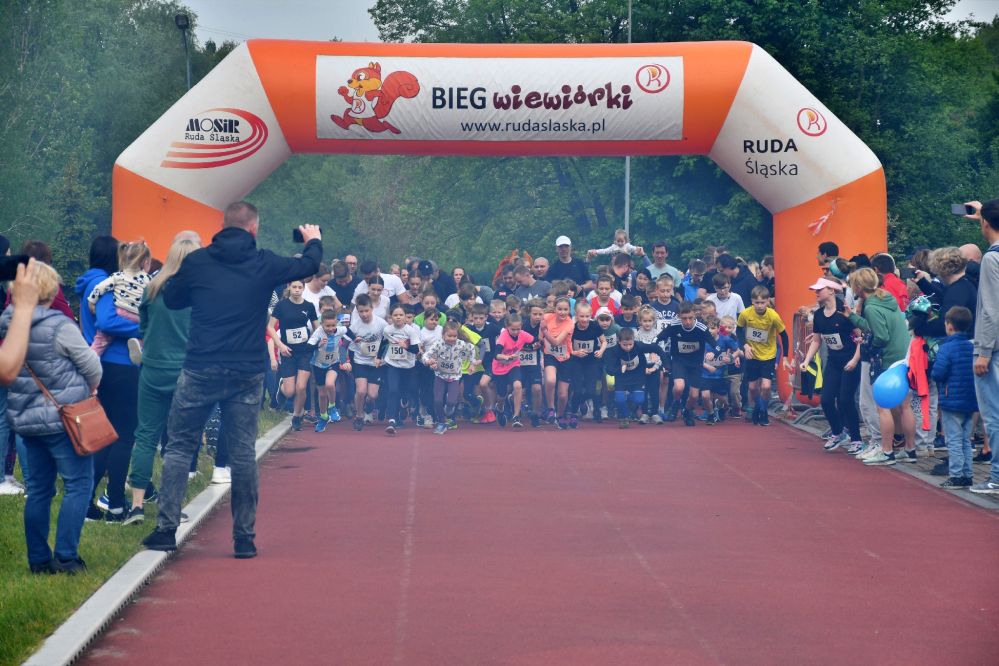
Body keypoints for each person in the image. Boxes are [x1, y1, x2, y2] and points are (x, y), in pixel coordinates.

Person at [142, 202, 321, 558]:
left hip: (201, 366)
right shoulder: (264, 263)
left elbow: (174, 299)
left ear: (223, 226)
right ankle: (244, 538)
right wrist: (312, 240)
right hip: (246, 369)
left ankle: (165, 530)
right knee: (241, 453)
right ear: (253, 228)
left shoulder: (198, 262)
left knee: (179, 446)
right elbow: (308, 265)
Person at [2, 261, 101, 574]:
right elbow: (92, 366)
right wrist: (90, 386)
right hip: (64, 419)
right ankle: (67, 556)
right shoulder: (60, 326)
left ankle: (38, 559)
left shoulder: (8, 324)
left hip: (26, 420)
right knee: (78, 484)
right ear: (50, 289)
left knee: (39, 489)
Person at [124, 235, 201, 525]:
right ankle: (171, 505)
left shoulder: (152, 288)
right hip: (185, 372)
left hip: (152, 369)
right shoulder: (198, 293)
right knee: (178, 441)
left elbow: (143, 328)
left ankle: (136, 505)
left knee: (145, 436)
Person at [76, 236, 142, 523]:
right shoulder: (106, 284)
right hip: (119, 364)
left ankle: (87, 501)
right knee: (123, 435)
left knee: (105, 435)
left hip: (101, 364)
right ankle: (115, 504)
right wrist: (143, 325)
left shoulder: (90, 282)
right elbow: (107, 321)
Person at [848, 267, 916, 466]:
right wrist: (853, 317)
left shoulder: (871, 307)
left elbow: (881, 336)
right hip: (903, 357)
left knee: (883, 406)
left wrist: (869, 345)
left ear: (858, 287)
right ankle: (910, 449)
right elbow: (879, 327)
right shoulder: (886, 298)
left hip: (887, 359)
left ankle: (886, 452)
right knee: (904, 406)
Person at [799, 278, 864, 452]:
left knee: (845, 400)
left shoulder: (845, 312)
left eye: (819, 289)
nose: (816, 293)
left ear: (831, 291)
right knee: (826, 399)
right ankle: (838, 432)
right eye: (815, 290)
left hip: (850, 361)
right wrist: (806, 360)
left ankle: (856, 439)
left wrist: (855, 360)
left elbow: (861, 337)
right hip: (833, 362)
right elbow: (816, 340)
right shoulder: (819, 315)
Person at [966, 199, 999, 494]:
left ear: (986, 224)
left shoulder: (991, 259)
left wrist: (984, 351)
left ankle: (997, 476)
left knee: (994, 414)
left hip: (993, 347)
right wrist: (983, 215)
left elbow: (991, 308)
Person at [931, 306, 978, 488]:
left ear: (949, 326)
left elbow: (938, 373)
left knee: (954, 439)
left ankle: (956, 474)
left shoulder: (946, 348)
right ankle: (968, 474)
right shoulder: (971, 347)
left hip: (951, 399)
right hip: (970, 398)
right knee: (966, 439)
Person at [737, 285, 793, 426]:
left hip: (768, 355)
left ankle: (763, 411)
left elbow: (784, 336)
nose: (760, 306)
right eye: (757, 302)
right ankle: (756, 407)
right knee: (752, 387)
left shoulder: (773, 316)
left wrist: (785, 357)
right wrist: (745, 346)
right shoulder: (746, 314)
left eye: (763, 302)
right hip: (752, 354)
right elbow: (738, 331)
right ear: (752, 301)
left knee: (766, 386)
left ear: (768, 301)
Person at [86, 241, 152, 360]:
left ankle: (91, 358)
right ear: (145, 261)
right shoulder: (148, 279)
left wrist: (92, 302)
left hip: (121, 312)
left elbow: (100, 288)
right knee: (144, 337)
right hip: (138, 316)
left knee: (101, 340)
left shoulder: (118, 276)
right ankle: (139, 346)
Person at [269, 280, 319, 431]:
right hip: (288, 351)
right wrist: (280, 345)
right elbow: (270, 327)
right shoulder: (281, 305)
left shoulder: (309, 306)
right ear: (289, 288)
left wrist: (316, 341)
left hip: (304, 351)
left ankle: (297, 416)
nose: (297, 290)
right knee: (290, 391)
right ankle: (282, 387)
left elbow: (317, 327)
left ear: (303, 289)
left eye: (300, 287)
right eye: (294, 287)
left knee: (301, 387)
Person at [422, 320, 476, 435]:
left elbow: (472, 348)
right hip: (440, 376)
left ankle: (449, 409)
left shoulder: (461, 344)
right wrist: (428, 361)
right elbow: (426, 355)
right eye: (449, 336)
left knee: (451, 401)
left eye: (454, 336)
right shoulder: (438, 344)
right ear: (443, 335)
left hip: (454, 377)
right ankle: (442, 423)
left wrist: (472, 364)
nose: (452, 339)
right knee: (437, 401)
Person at [343, 294, 387, 431]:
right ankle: (359, 415)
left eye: (366, 311)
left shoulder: (381, 323)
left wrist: (380, 356)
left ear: (372, 308)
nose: (364, 314)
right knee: (361, 391)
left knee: (372, 395)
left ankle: (369, 403)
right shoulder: (355, 326)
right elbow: (345, 345)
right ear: (357, 311)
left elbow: (386, 341)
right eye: (361, 311)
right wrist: (346, 361)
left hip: (376, 363)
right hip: (360, 362)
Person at [490, 312, 535, 428]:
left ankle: (516, 416)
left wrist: (534, 345)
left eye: (518, 329)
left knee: (518, 385)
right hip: (499, 368)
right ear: (507, 327)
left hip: (513, 365)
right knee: (501, 395)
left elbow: (534, 340)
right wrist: (506, 357)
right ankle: (500, 408)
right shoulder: (503, 336)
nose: (516, 332)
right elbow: (496, 355)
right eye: (513, 329)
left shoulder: (523, 334)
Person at [382, 303, 421, 435]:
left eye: (401, 315)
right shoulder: (387, 330)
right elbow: (383, 342)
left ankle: (405, 403)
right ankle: (392, 420)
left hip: (408, 366)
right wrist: (378, 357)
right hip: (393, 364)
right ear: (391, 317)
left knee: (406, 391)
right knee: (393, 390)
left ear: (405, 317)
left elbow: (416, 350)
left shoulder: (410, 331)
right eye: (395, 315)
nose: (398, 317)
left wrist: (406, 347)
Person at [308, 309, 347, 432]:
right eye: (327, 326)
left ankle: (332, 407)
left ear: (337, 323)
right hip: (318, 365)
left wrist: (355, 338)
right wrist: (318, 344)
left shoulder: (339, 330)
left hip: (333, 363)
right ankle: (324, 417)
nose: (331, 328)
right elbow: (308, 347)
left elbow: (349, 332)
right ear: (322, 324)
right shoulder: (318, 333)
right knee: (322, 394)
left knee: (330, 384)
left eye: (333, 325)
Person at [541, 297, 574, 423]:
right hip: (550, 355)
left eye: (565, 309)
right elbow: (540, 336)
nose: (562, 312)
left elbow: (556, 342)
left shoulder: (570, 323)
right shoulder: (547, 317)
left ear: (569, 310)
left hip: (565, 358)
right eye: (559, 309)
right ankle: (550, 408)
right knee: (550, 380)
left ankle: (560, 416)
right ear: (554, 309)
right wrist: (541, 333)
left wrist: (545, 331)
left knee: (562, 395)